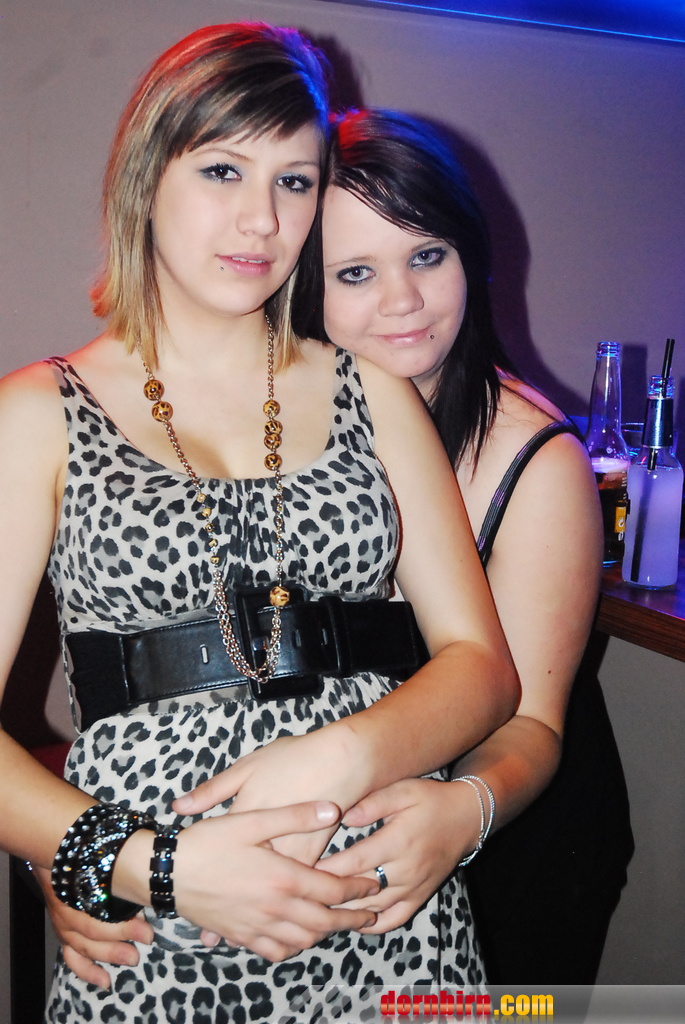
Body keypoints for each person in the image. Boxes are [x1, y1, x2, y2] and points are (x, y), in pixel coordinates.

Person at [0, 26, 519, 1022]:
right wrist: (154, 866)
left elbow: (483, 668)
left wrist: (344, 755)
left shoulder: (374, 392)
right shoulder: (39, 413)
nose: (262, 219)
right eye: (222, 170)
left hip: (386, 912)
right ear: (146, 178)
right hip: (160, 932)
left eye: (294, 181)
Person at [297, 108, 632, 983]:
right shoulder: (282, 431)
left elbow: (529, 720)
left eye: (427, 255)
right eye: (356, 272)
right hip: (348, 847)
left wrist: (460, 812)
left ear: (470, 256)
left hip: (513, 850)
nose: (402, 300)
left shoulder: (536, 460)